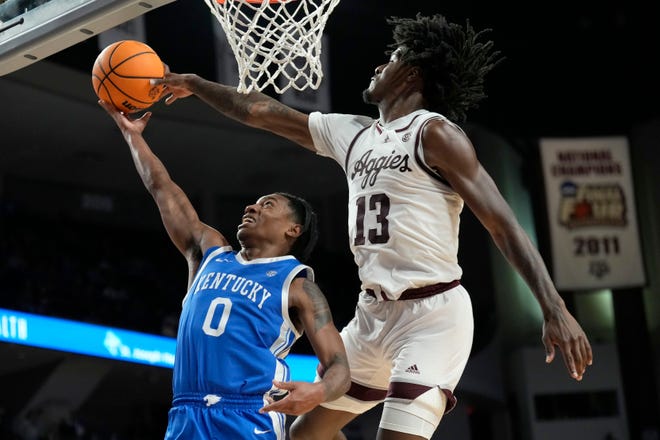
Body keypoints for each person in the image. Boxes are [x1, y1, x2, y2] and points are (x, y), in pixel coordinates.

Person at [154, 13, 593, 440]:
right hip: (371, 315)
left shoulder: (435, 134)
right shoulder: (357, 134)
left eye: (394, 58)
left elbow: (502, 223)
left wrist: (553, 307)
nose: (380, 65)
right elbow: (261, 111)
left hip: (431, 315)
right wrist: (195, 84)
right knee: (303, 436)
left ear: (413, 75)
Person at [97, 99, 350, 439]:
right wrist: (133, 137)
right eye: (255, 203)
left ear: (293, 229)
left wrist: (318, 392)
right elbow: (163, 190)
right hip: (186, 413)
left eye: (267, 205)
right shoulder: (209, 251)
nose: (252, 207)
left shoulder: (298, 286)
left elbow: (339, 368)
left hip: (247, 416)